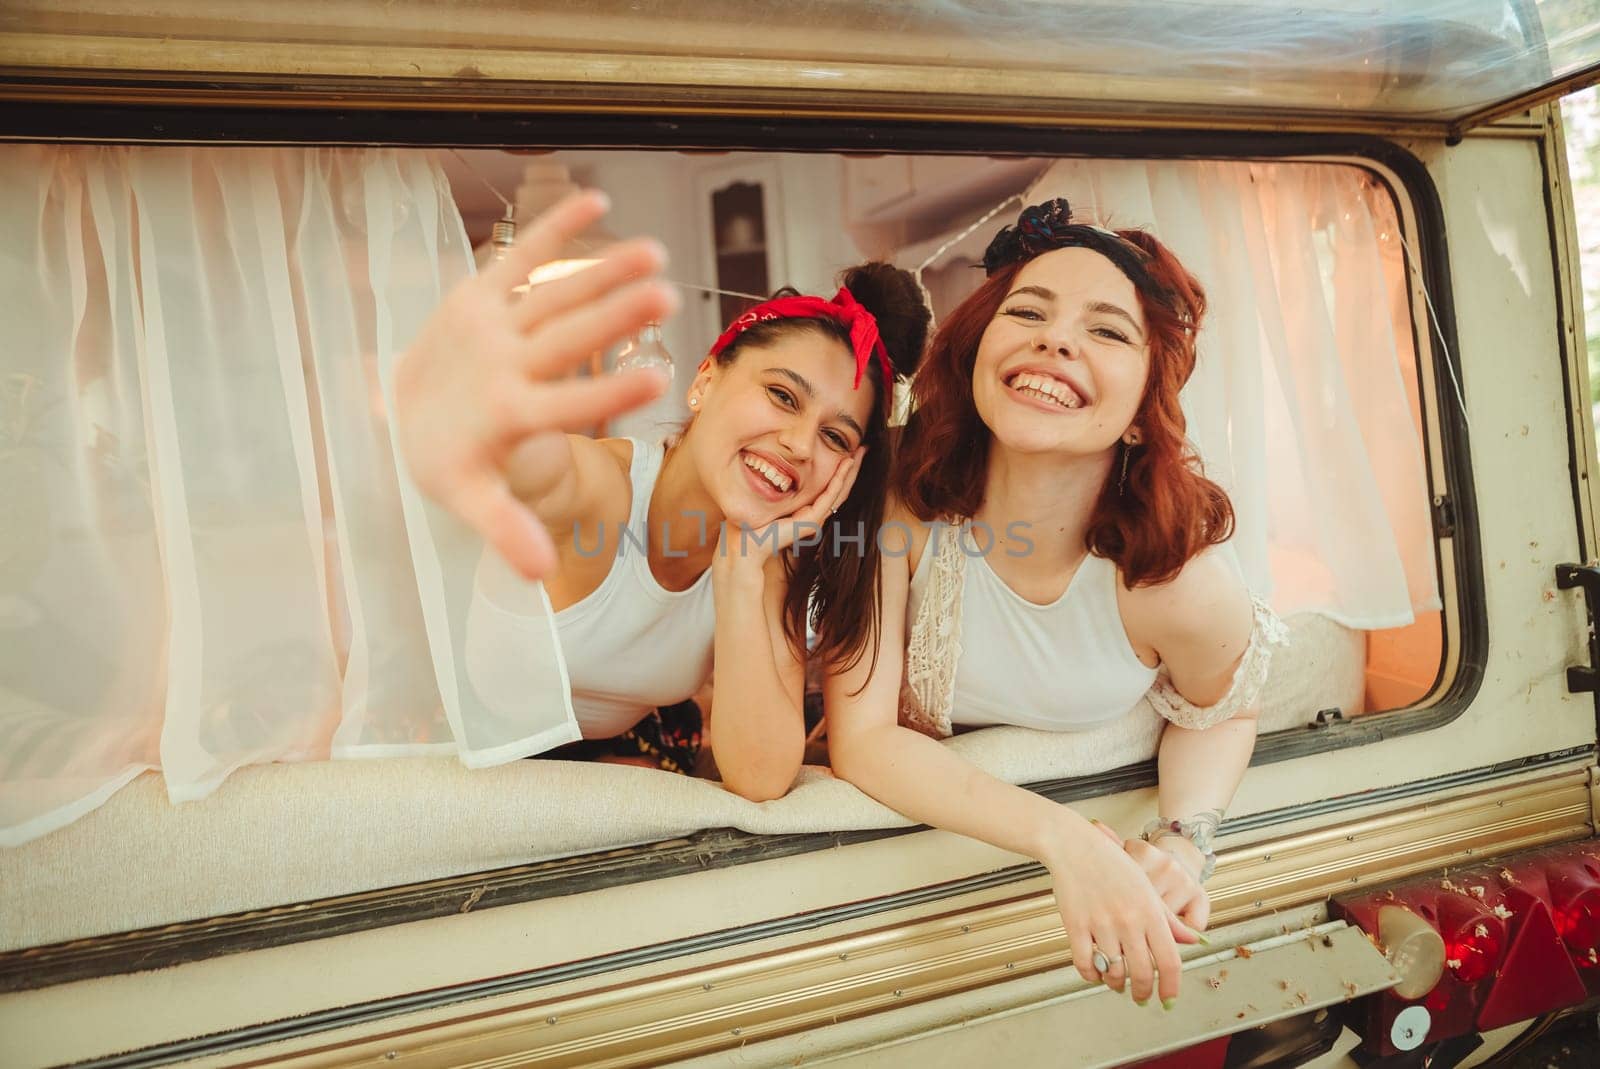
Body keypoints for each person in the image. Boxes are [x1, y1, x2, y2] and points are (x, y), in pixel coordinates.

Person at [823, 199, 1284, 1007]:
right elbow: (861, 742)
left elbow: (1223, 710)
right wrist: (1067, 840)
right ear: (976, 354)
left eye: (1106, 330)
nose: (1055, 338)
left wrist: (1186, 842)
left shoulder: (1177, 578)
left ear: (1145, 413)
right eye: (1027, 311)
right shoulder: (900, 505)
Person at [395, 191, 929, 801]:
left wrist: (739, 574)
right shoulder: (600, 491)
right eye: (783, 396)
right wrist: (471, 412)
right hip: (444, 754)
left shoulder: (768, 557)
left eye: (834, 435)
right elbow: (537, 465)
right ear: (705, 379)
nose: (801, 445)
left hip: (611, 770)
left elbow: (761, 776)